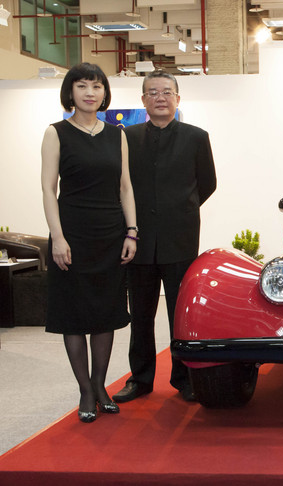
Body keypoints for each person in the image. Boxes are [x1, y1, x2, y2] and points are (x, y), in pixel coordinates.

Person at [41, 62, 138, 423]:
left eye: (96, 86)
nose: (90, 93)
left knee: (104, 313)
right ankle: (84, 388)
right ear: (71, 92)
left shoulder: (117, 134)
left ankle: (100, 385)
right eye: (82, 86)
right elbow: (48, 190)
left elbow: (125, 187)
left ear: (104, 93)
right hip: (72, 234)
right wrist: (58, 238)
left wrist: (132, 231)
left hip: (110, 234)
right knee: (73, 315)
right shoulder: (56, 133)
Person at [113, 70, 217, 403]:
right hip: (138, 241)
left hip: (180, 239)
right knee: (140, 315)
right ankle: (140, 379)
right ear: (143, 100)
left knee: (180, 316)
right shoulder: (125, 137)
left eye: (167, 92)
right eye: (153, 92)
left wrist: (180, 209)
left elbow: (207, 183)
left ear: (177, 98)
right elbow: (119, 186)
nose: (160, 97)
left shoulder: (196, 137)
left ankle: (183, 378)